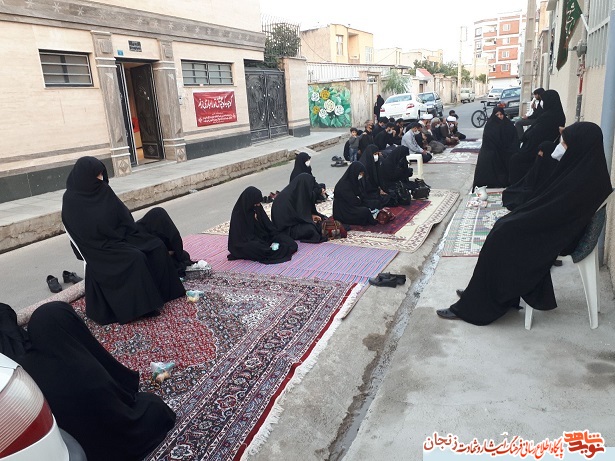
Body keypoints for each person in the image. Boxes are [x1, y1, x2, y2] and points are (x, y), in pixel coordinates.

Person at [437, 122, 612, 325]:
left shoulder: (585, 178)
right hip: (558, 227)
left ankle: (479, 302)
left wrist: (525, 219)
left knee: (502, 235)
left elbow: (559, 213)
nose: (561, 148)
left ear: (580, 146)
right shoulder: (587, 169)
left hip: (563, 236)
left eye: (565, 144)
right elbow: (553, 205)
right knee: (504, 226)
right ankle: (487, 293)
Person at [16, 301, 176, 461]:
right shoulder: (85, 370)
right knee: (154, 406)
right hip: (102, 446)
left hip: (62, 446)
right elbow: (117, 415)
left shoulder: (25, 371)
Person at [62, 156, 186, 325]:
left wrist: (124, 232)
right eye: (97, 175)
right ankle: (142, 308)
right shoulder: (71, 201)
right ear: (85, 176)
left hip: (120, 235)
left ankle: (165, 293)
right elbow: (83, 235)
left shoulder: (102, 190)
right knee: (135, 257)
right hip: (99, 247)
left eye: (101, 174)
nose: (101, 179)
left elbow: (123, 216)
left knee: (155, 245)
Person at [508, 89, 565, 184]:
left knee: (515, 159)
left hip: (538, 147)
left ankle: (518, 184)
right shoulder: (559, 114)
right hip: (547, 146)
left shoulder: (548, 116)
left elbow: (537, 133)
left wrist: (525, 137)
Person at [228, 186, 298, 264]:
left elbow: (268, 227)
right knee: (255, 247)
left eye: (259, 203)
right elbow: (243, 237)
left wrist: (274, 236)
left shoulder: (257, 208)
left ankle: (274, 249)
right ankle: (272, 250)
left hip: (264, 238)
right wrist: (253, 220)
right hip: (247, 242)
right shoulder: (239, 214)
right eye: (256, 203)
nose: (258, 205)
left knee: (288, 242)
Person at [272, 173, 328, 243]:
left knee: (322, 219)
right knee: (311, 229)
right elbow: (291, 219)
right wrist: (309, 219)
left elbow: (300, 211)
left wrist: (311, 216)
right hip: (286, 229)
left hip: (295, 221)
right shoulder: (285, 199)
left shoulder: (298, 193)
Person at [502, 141, 558, 211]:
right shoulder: (538, 162)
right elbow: (529, 179)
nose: (539, 153)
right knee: (509, 192)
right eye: (539, 151)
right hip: (530, 188)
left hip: (540, 193)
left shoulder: (553, 168)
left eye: (541, 151)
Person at [472, 107, 519, 188]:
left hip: (507, 149)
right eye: (497, 115)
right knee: (489, 156)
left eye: (501, 114)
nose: (500, 116)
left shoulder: (508, 124)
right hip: (493, 149)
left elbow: (514, 139)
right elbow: (488, 141)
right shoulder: (490, 125)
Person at [358, 145, 393, 209]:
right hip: (367, 193)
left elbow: (378, 179)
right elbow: (363, 186)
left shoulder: (375, 164)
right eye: (375, 154)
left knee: (392, 197)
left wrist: (381, 189)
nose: (376, 156)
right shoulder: (362, 167)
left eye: (377, 154)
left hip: (375, 191)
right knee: (376, 203)